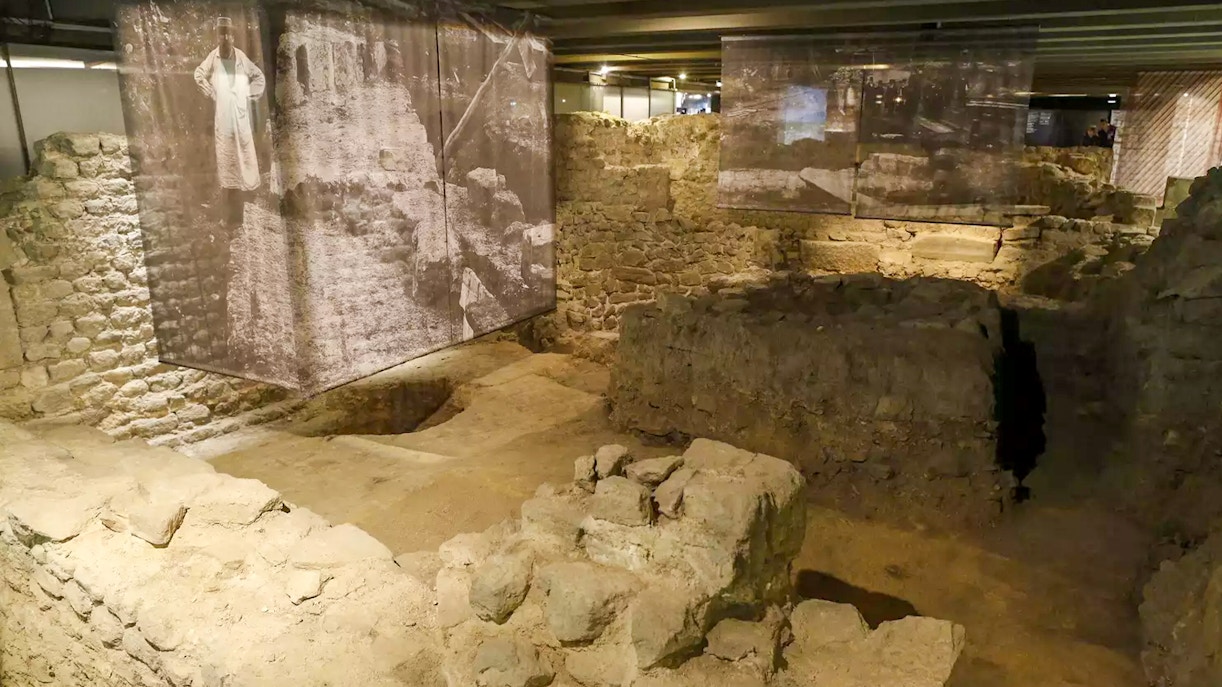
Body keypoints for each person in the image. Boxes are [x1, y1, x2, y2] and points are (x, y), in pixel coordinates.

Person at [194, 16, 266, 230]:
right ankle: (230, 220)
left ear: (233, 36)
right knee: (227, 170)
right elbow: (198, 74)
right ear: (218, 36)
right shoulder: (213, 57)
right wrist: (210, 91)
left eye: (229, 33)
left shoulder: (241, 58)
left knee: (243, 165)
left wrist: (249, 94)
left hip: (240, 121)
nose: (225, 37)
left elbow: (259, 76)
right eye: (222, 33)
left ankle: (240, 219)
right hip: (223, 121)